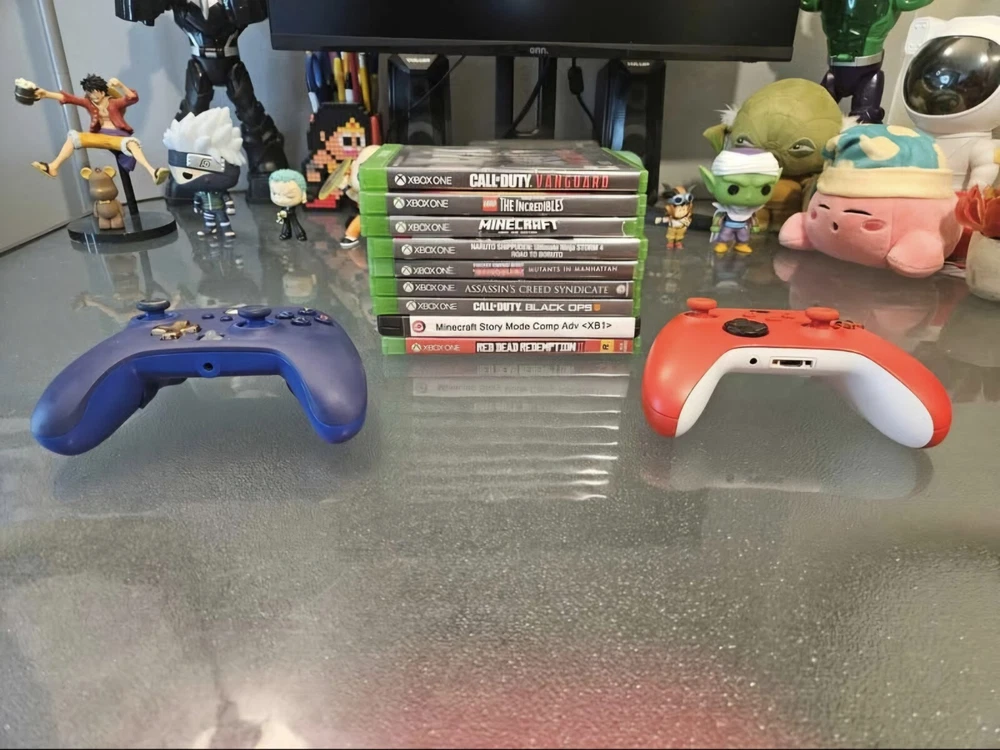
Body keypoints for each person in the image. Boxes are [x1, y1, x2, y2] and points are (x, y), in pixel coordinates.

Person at [28, 73, 168, 185]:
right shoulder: (89, 103)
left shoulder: (114, 102)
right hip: (99, 136)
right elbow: (68, 98)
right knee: (73, 137)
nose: (94, 97)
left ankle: (153, 172)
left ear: (103, 91)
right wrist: (46, 94)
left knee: (132, 144)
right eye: (90, 94)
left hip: (117, 137)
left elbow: (132, 98)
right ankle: (53, 167)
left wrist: (120, 85)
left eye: (96, 93)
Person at [269, 170, 308, 241]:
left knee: (294, 223)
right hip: (285, 211)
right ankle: (286, 233)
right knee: (285, 223)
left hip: (290, 212)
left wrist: (286, 213)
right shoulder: (283, 206)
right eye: (275, 194)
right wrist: (281, 216)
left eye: (290, 196)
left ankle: (300, 234)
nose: (281, 200)